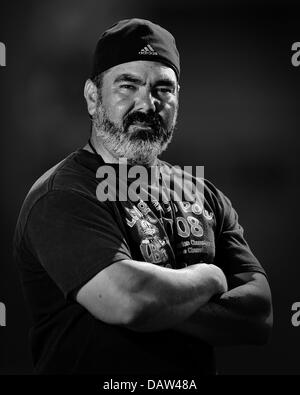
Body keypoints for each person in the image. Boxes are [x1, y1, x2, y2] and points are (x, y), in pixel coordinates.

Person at [13, 18, 273, 375]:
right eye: (128, 86)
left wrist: (160, 306)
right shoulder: (61, 195)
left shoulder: (204, 194)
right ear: (93, 97)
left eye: (163, 89)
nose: (147, 105)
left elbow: (259, 313)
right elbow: (130, 301)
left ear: (178, 98)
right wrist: (209, 277)